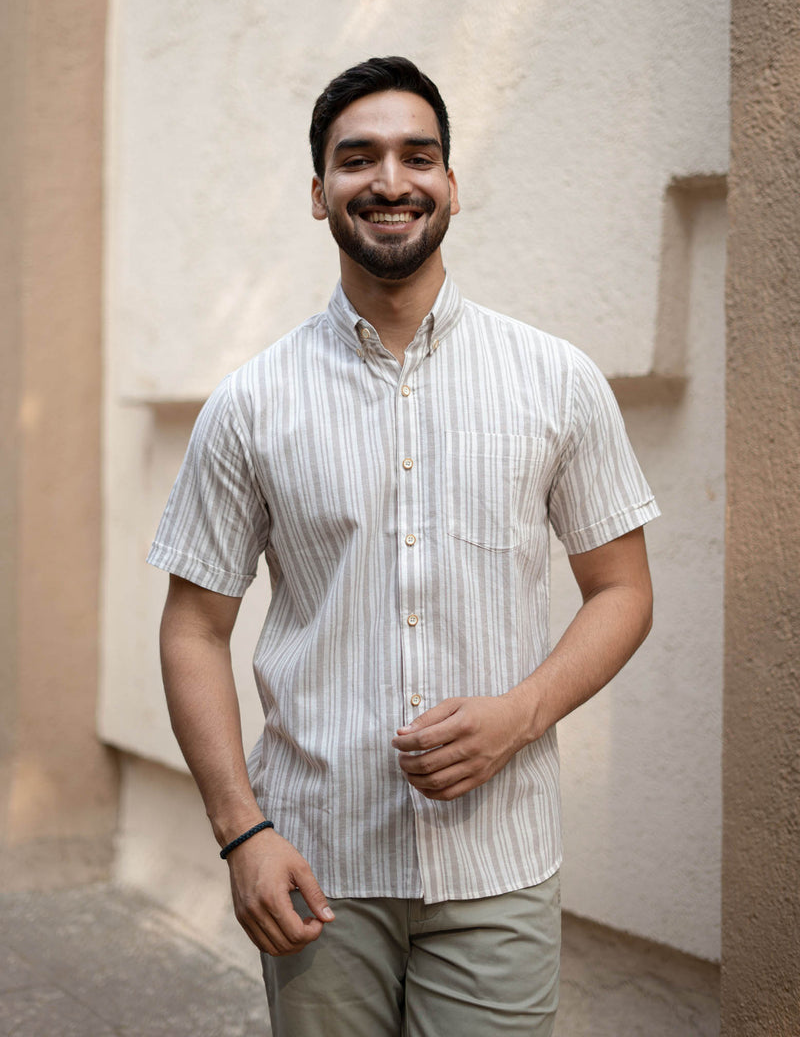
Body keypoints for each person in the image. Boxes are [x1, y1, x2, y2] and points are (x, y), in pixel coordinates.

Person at [148, 55, 659, 1036]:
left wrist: (520, 713)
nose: (388, 180)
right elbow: (192, 629)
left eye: (416, 156)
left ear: (451, 185)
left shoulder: (555, 381)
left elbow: (621, 590)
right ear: (317, 194)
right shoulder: (251, 404)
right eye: (357, 159)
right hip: (312, 862)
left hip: (496, 863)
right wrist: (240, 832)